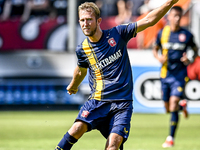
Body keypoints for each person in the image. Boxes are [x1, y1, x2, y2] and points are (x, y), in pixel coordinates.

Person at [55, 1, 180, 150]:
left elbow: (148, 20)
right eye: (82, 20)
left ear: (98, 21)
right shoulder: (82, 49)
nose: (85, 23)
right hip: (98, 101)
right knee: (76, 129)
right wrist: (73, 84)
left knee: (113, 145)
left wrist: (171, 2)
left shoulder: (118, 34)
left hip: (122, 104)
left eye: (89, 19)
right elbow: (81, 69)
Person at [153, 6, 198, 148]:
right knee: (168, 108)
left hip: (179, 75)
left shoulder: (187, 35)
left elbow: (195, 50)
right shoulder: (162, 33)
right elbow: (155, 49)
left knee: (172, 104)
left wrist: (189, 59)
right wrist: (159, 57)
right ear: (169, 17)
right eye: (175, 16)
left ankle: (170, 138)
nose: (177, 19)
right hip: (165, 74)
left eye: (179, 16)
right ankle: (181, 107)